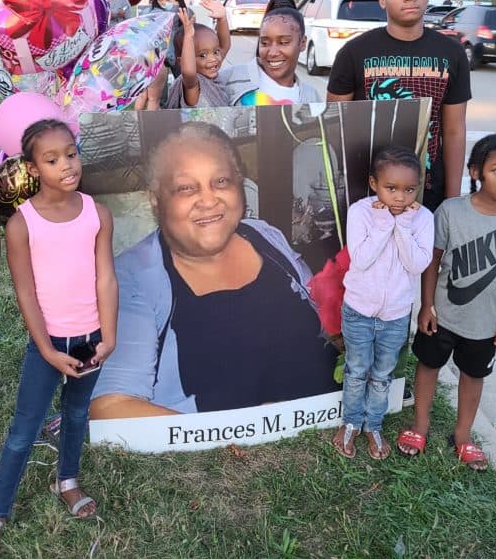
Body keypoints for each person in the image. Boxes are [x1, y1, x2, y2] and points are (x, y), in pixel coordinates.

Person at [90, 122, 339, 418]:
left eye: (221, 182)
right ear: (156, 199)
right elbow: (110, 407)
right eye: (186, 188)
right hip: (237, 451)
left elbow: (327, 321)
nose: (208, 200)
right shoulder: (135, 276)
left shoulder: (264, 235)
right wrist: (244, 434)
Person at [0, 119, 117, 558]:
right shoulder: (21, 224)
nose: (67, 165)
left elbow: (106, 277)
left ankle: (67, 480)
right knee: (23, 432)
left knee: (76, 416)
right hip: (48, 343)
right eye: (52, 160)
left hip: (92, 338)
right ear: (33, 169)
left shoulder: (97, 213)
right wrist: (49, 351)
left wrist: (108, 336)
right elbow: (26, 293)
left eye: (71, 154)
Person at [397, 134, 496, 470]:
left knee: (473, 375)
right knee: (428, 366)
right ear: (476, 171)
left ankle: (463, 436)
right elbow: (432, 261)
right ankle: (419, 425)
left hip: (486, 323)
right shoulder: (451, 211)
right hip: (442, 316)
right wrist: (426, 305)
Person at [327, 0, 470, 212]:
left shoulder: (452, 52)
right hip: (368, 193)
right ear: (382, 0)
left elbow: (454, 130)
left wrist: (453, 200)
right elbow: (336, 125)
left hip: (428, 190)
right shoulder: (354, 52)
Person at [332, 146, 434, 460]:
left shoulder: (422, 218)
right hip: (360, 310)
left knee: (382, 373)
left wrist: (402, 226)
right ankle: (350, 423)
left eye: (408, 190)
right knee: (357, 368)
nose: (400, 198)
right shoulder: (362, 212)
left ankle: (373, 425)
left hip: (396, 315)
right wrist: (382, 224)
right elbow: (360, 260)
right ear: (375, 183)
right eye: (391, 188)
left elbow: (417, 263)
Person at [217, 7, 323, 105]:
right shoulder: (230, 78)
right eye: (264, 43)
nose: (272, 52)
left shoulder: (312, 97)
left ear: (302, 43)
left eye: (284, 42)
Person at [164, 2, 231, 108]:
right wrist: (188, 37)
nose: (213, 59)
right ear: (182, 61)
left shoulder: (210, 71)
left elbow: (224, 46)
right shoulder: (192, 85)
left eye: (215, 52)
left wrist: (222, 19)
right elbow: (189, 72)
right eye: (203, 55)